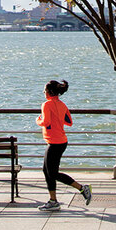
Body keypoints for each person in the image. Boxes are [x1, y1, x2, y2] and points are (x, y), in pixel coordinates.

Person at [36, 79, 90, 211]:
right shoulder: (62, 105)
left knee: (52, 173)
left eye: (45, 90)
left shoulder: (46, 105)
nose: (44, 92)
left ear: (50, 92)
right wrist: (57, 119)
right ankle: (53, 200)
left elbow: (46, 122)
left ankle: (82, 188)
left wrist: (38, 120)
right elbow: (69, 121)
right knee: (47, 171)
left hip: (55, 142)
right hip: (61, 141)